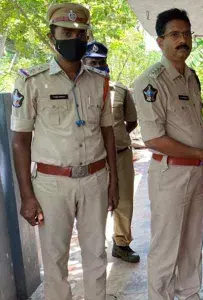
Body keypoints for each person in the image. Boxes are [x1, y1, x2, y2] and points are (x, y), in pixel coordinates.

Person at [10, 3, 118, 300]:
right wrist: (27, 196)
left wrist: (114, 182)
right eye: (67, 32)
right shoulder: (32, 80)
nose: (75, 38)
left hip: (95, 179)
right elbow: (20, 140)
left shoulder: (99, 82)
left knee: (97, 254)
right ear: (51, 36)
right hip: (51, 184)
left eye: (81, 33)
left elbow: (107, 132)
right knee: (55, 259)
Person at [132, 8, 203, 300]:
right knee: (166, 246)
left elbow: (189, 125)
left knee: (191, 242)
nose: (183, 40)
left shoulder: (191, 76)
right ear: (160, 40)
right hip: (169, 174)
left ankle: (190, 295)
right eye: (175, 34)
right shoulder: (151, 82)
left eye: (187, 34)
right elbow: (154, 138)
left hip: (195, 173)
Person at [83, 41, 140, 263]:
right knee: (93, 203)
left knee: (124, 201)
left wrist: (116, 139)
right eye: (93, 62)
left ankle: (122, 244)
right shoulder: (77, 90)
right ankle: (94, 246)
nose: (98, 65)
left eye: (102, 62)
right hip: (91, 157)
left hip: (120, 154)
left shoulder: (121, 90)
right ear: (84, 63)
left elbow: (132, 121)